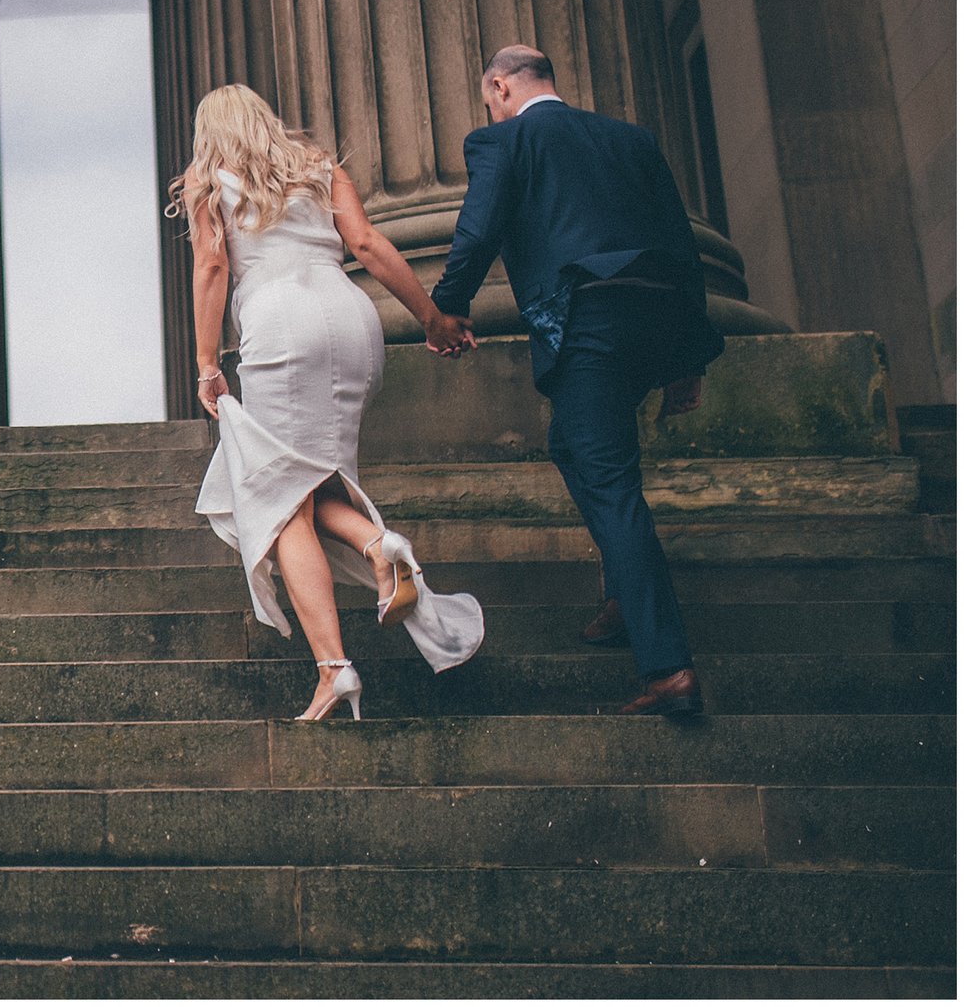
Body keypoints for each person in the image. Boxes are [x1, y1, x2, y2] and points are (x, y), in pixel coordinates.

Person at [425, 46, 724, 717]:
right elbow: (682, 247)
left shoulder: (504, 138)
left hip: (587, 320)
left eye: (488, 96)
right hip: (655, 319)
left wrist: (446, 308)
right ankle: (625, 592)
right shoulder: (630, 139)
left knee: (614, 485)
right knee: (574, 446)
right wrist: (688, 357)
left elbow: (477, 232)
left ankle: (668, 667)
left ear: (500, 86)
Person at [177, 84, 485, 722]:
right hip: (352, 319)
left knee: (281, 499)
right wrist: (430, 319)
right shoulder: (319, 167)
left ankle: (336, 662)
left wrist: (208, 363)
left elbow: (212, 267)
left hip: (280, 326)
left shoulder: (208, 180)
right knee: (310, 488)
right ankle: (379, 552)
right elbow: (367, 244)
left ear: (211, 132)